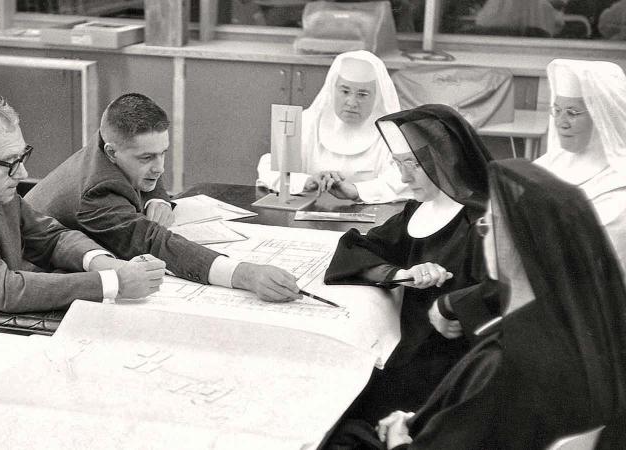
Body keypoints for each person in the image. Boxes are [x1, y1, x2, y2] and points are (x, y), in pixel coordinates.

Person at [329, 159, 626, 449]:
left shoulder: (503, 363)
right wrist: (419, 421)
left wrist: (398, 437)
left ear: (520, 244)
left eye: (488, 224)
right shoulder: (571, 326)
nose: (481, 231)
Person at [0, 101, 166, 355]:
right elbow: (4, 289)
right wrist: (115, 282)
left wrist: (102, 262)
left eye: (22, 156)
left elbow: (51, 237)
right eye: (10, 162)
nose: (22, 173)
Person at [26, 93, 301, 302]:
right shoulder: (97, 194)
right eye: (147, 158)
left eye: (163, 153)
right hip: (39, 280)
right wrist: (245, 274)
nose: (160, 167)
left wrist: (155, 198)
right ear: (111, 153)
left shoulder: (111, 139)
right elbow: (156, 243)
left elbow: (147, 166)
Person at [324, 105, 493, 423]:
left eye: (413, 165)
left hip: (451, 369)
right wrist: (402, 275)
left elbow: (502, 295)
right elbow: (356, 249)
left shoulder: (482, 221)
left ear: (444, 159)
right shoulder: (418, 209)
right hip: (404, 349)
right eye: (399, 165)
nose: (403, 177)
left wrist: (450, 304)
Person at [256, 51, 412, 203]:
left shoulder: (392, 132)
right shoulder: (306, 121)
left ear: (377, 97)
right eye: (345, 91)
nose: (351, 102)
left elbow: (403, 180)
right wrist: (307, 181)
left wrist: (355, 191)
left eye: (362, 94)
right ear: (333, 89)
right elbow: (268, 169)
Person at [534, 59, 626, 276]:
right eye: (557, 110)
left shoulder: (620, 184)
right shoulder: (545, 165)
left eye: (573, 113)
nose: (561, 122)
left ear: (601, 117)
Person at [474, 0, 564, 36]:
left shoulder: (494, 4)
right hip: (532, 58)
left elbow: (480, 25)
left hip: (495, 56)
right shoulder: (545, 7)